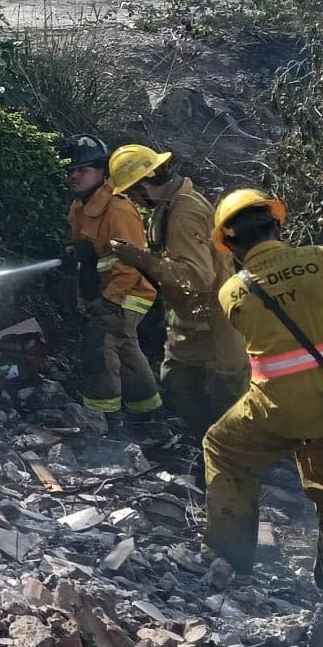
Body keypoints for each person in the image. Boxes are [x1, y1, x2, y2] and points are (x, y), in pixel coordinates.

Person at [202, 189, 323, 589]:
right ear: (278, 224)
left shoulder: (232, 292)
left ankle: (230, 558)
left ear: (229, 244)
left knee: (223, 449)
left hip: (279, 409)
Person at [104, 145, 247, 443]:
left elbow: (196, 277)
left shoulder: (184, 211)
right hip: (192, 326)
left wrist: (139, 259)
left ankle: (241, 467)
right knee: (178, 385)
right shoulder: (169, 207)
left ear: (144, 186)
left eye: (132, 193)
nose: (133, 201)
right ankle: (211, 451)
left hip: (218, 326)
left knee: (228, 403)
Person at [62, 136, 162, 433]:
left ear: (102, 172)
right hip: (106, 292)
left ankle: (107, 423)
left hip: (129, 292)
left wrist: (110, 302)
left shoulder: (118, 209)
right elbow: (87, 250)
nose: (74, 175)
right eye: (71, 170)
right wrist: (71, 252)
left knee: (100, 346)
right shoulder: (80, 207)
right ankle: (147, 415)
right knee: (127, 350)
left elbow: (132, 262)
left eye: (83, 169)